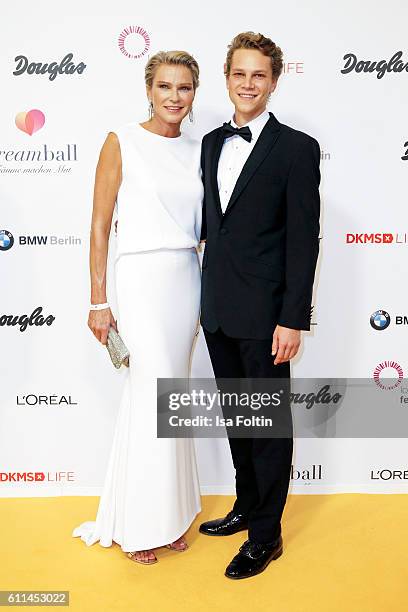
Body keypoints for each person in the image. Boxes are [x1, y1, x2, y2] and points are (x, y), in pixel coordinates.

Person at [72, 50, 203, 565]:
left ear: (194, 95)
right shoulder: (120, 140)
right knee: (152, 390)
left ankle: (170, 515)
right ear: (149, 89)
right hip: (141, 279)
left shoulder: (198, 150)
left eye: (185, 88)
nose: (174, 96)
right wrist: (98, 299)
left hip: (185, 279)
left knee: (172, 396)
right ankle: (141, 523)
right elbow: (100, 225)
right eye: (166, 86)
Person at [198, 32, 321, 579]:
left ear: (274, 81)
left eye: (259, 75)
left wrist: (293, 317)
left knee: (268, 426)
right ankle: (246, 506)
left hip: (268, 314)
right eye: (239, 74)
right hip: (218, 309)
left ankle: (265, 537)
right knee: (238, 418)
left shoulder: (297, 148)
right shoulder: (208, 142)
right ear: (227, 78)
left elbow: (303, 239)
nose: (248, 84)